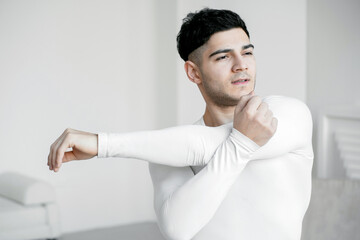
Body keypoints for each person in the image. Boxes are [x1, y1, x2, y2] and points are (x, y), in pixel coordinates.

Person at [48, 8, 313, 240]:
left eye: (247, 52)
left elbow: (205, 145)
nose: (241, 65)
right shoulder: (167, 149)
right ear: (193, 72)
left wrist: (101, 144)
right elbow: (178, 228)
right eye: (223, 57)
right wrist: (241, 145)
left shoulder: (289, 113)